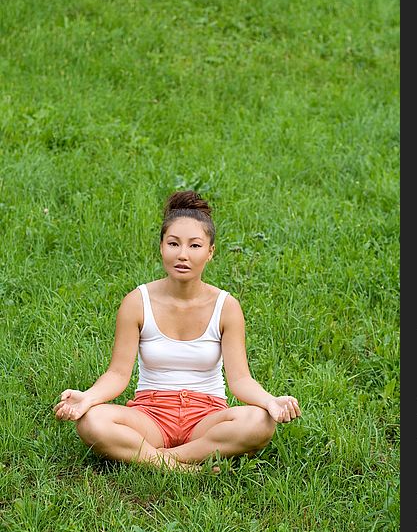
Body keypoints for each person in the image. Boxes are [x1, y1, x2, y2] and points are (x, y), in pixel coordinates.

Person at [54, 190, 301, 471]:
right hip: (150, 414)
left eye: (194, 246)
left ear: (210, 252)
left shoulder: (226, 306)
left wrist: (270, 402)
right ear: (161, 247)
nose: (182, 255)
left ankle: (157, 459)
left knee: (260, 423)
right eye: (173, 243)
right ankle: (180, 467)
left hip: (207, 416)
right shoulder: (137, 302)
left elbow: (240, 379)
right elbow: (117, 374)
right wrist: (88, 397)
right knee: (91, 421)